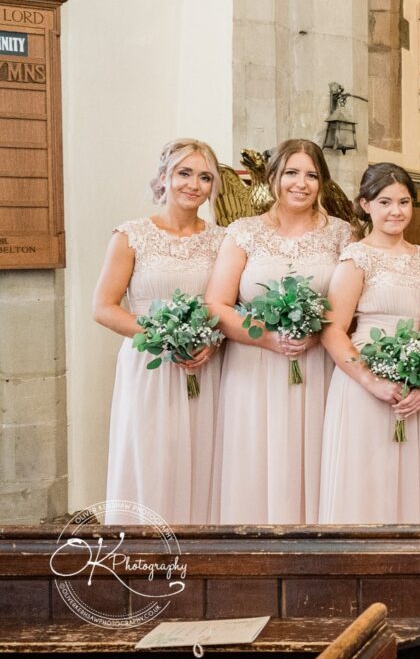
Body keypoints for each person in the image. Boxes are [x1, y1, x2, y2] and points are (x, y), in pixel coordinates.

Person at [207, 138, 351, 524]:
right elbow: (217, 304)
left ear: (323, 183)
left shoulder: (342, 235)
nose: (300, 183)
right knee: (254, 457)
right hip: (252, 366)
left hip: (316, 365)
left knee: (313, 455)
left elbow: (347, 306)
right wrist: (269, 338)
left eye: (311, 175)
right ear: (273, 178)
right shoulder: (242, 232)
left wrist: (316, 331)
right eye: (291, 173)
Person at [95, 138, 225, 524]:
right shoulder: (132, 235)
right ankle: (144, 550)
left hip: (203, 366)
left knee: (203, 455)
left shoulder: (221, 241)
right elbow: (103, 307)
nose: (193, 184)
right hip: (148, 364)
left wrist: (212, 343)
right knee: (152, 453)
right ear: (164, 177)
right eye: (185, 173)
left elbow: (228, 306)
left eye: (204, 177)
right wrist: (164, 338)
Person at [317, 163, 420, 524]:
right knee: (364, 478)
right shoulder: (356, 258)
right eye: (385, 202)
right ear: (365, 205)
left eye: (403, 202)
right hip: (362, 383)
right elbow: (333, 329)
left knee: (404, 479)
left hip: (412, 383)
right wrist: (373, 381)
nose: (396, 211)